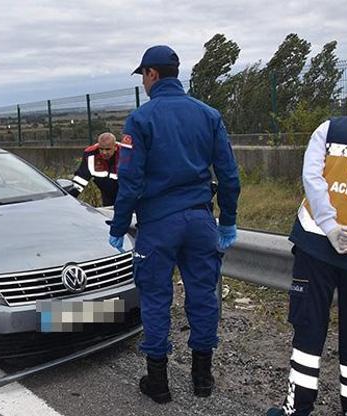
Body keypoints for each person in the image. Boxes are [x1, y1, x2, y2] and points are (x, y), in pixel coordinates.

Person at [108, 45, 241, 404]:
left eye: (143, 76)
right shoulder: (209, 114)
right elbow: (228, 175)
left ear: (151, 74)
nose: (145, 83)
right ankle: (202, 378)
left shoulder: (140, 119)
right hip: (200, 220)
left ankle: (159, 382)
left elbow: (130, 182)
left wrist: (119, 226)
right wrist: (227, 221)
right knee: (203, 294)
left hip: (159, 223)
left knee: (155, 296)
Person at [267, 75, 347, 416]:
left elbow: (312, 180)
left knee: (309, 325)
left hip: (315, 244)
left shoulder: (330, 129)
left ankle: (297, 407)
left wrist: (330, 227)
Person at [68, 132, 120, 206]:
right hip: (107, 196)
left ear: (115, 147)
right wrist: (69, 198)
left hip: (128, 196)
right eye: (101, 149)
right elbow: (81, 178)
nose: (104, 152)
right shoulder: (90, 155)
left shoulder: (127, 155)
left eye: (108, 149)